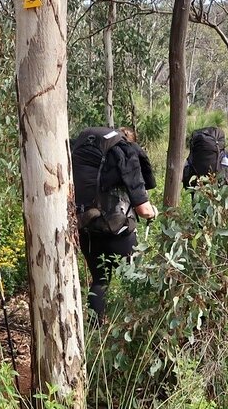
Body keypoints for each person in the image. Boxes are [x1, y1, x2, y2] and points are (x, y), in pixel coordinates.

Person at [72, 127, 157, 324]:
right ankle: (128, 331)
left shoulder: (88, 153)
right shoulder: (126, 155)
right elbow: (144, 210)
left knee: (100, 281)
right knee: (132, 280)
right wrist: (153, 211)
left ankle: (95, 329)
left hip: (88, 229)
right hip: (119, 233)